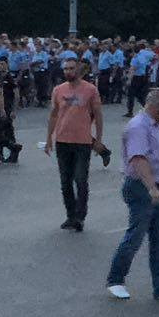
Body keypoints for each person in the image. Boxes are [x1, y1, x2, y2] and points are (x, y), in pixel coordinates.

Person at [106, 89, 159, 302]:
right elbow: (138, 158)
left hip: (157, 185)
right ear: (155, 106)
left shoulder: (153, 125)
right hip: (142, 186)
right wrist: (151, 187)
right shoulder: (138, 127)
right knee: (135, 234)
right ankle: (116, 279)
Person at [44, 55, 104, 231]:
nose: (68, 71)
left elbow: (98, 115)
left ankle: (80, 215)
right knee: (65, 181)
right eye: (65, 69)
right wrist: (49, 138)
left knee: (80, 179)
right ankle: (70, 215)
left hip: (82, 142)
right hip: (63, 141)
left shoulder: (90, 90)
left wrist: (98, 140)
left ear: (78, 69)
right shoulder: (59, 90)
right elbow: (54, 114)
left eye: (71, 68)